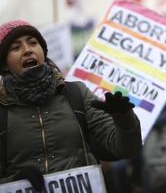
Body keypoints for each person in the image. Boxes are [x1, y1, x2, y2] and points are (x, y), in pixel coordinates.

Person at [0, 20, 142, 191]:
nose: (27, 50)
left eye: (33, 43)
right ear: (4, 65)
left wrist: (123, 117)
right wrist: (14, 182)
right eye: (16, 48)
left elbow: (127, 149)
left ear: (43, 52)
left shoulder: (76, 94)